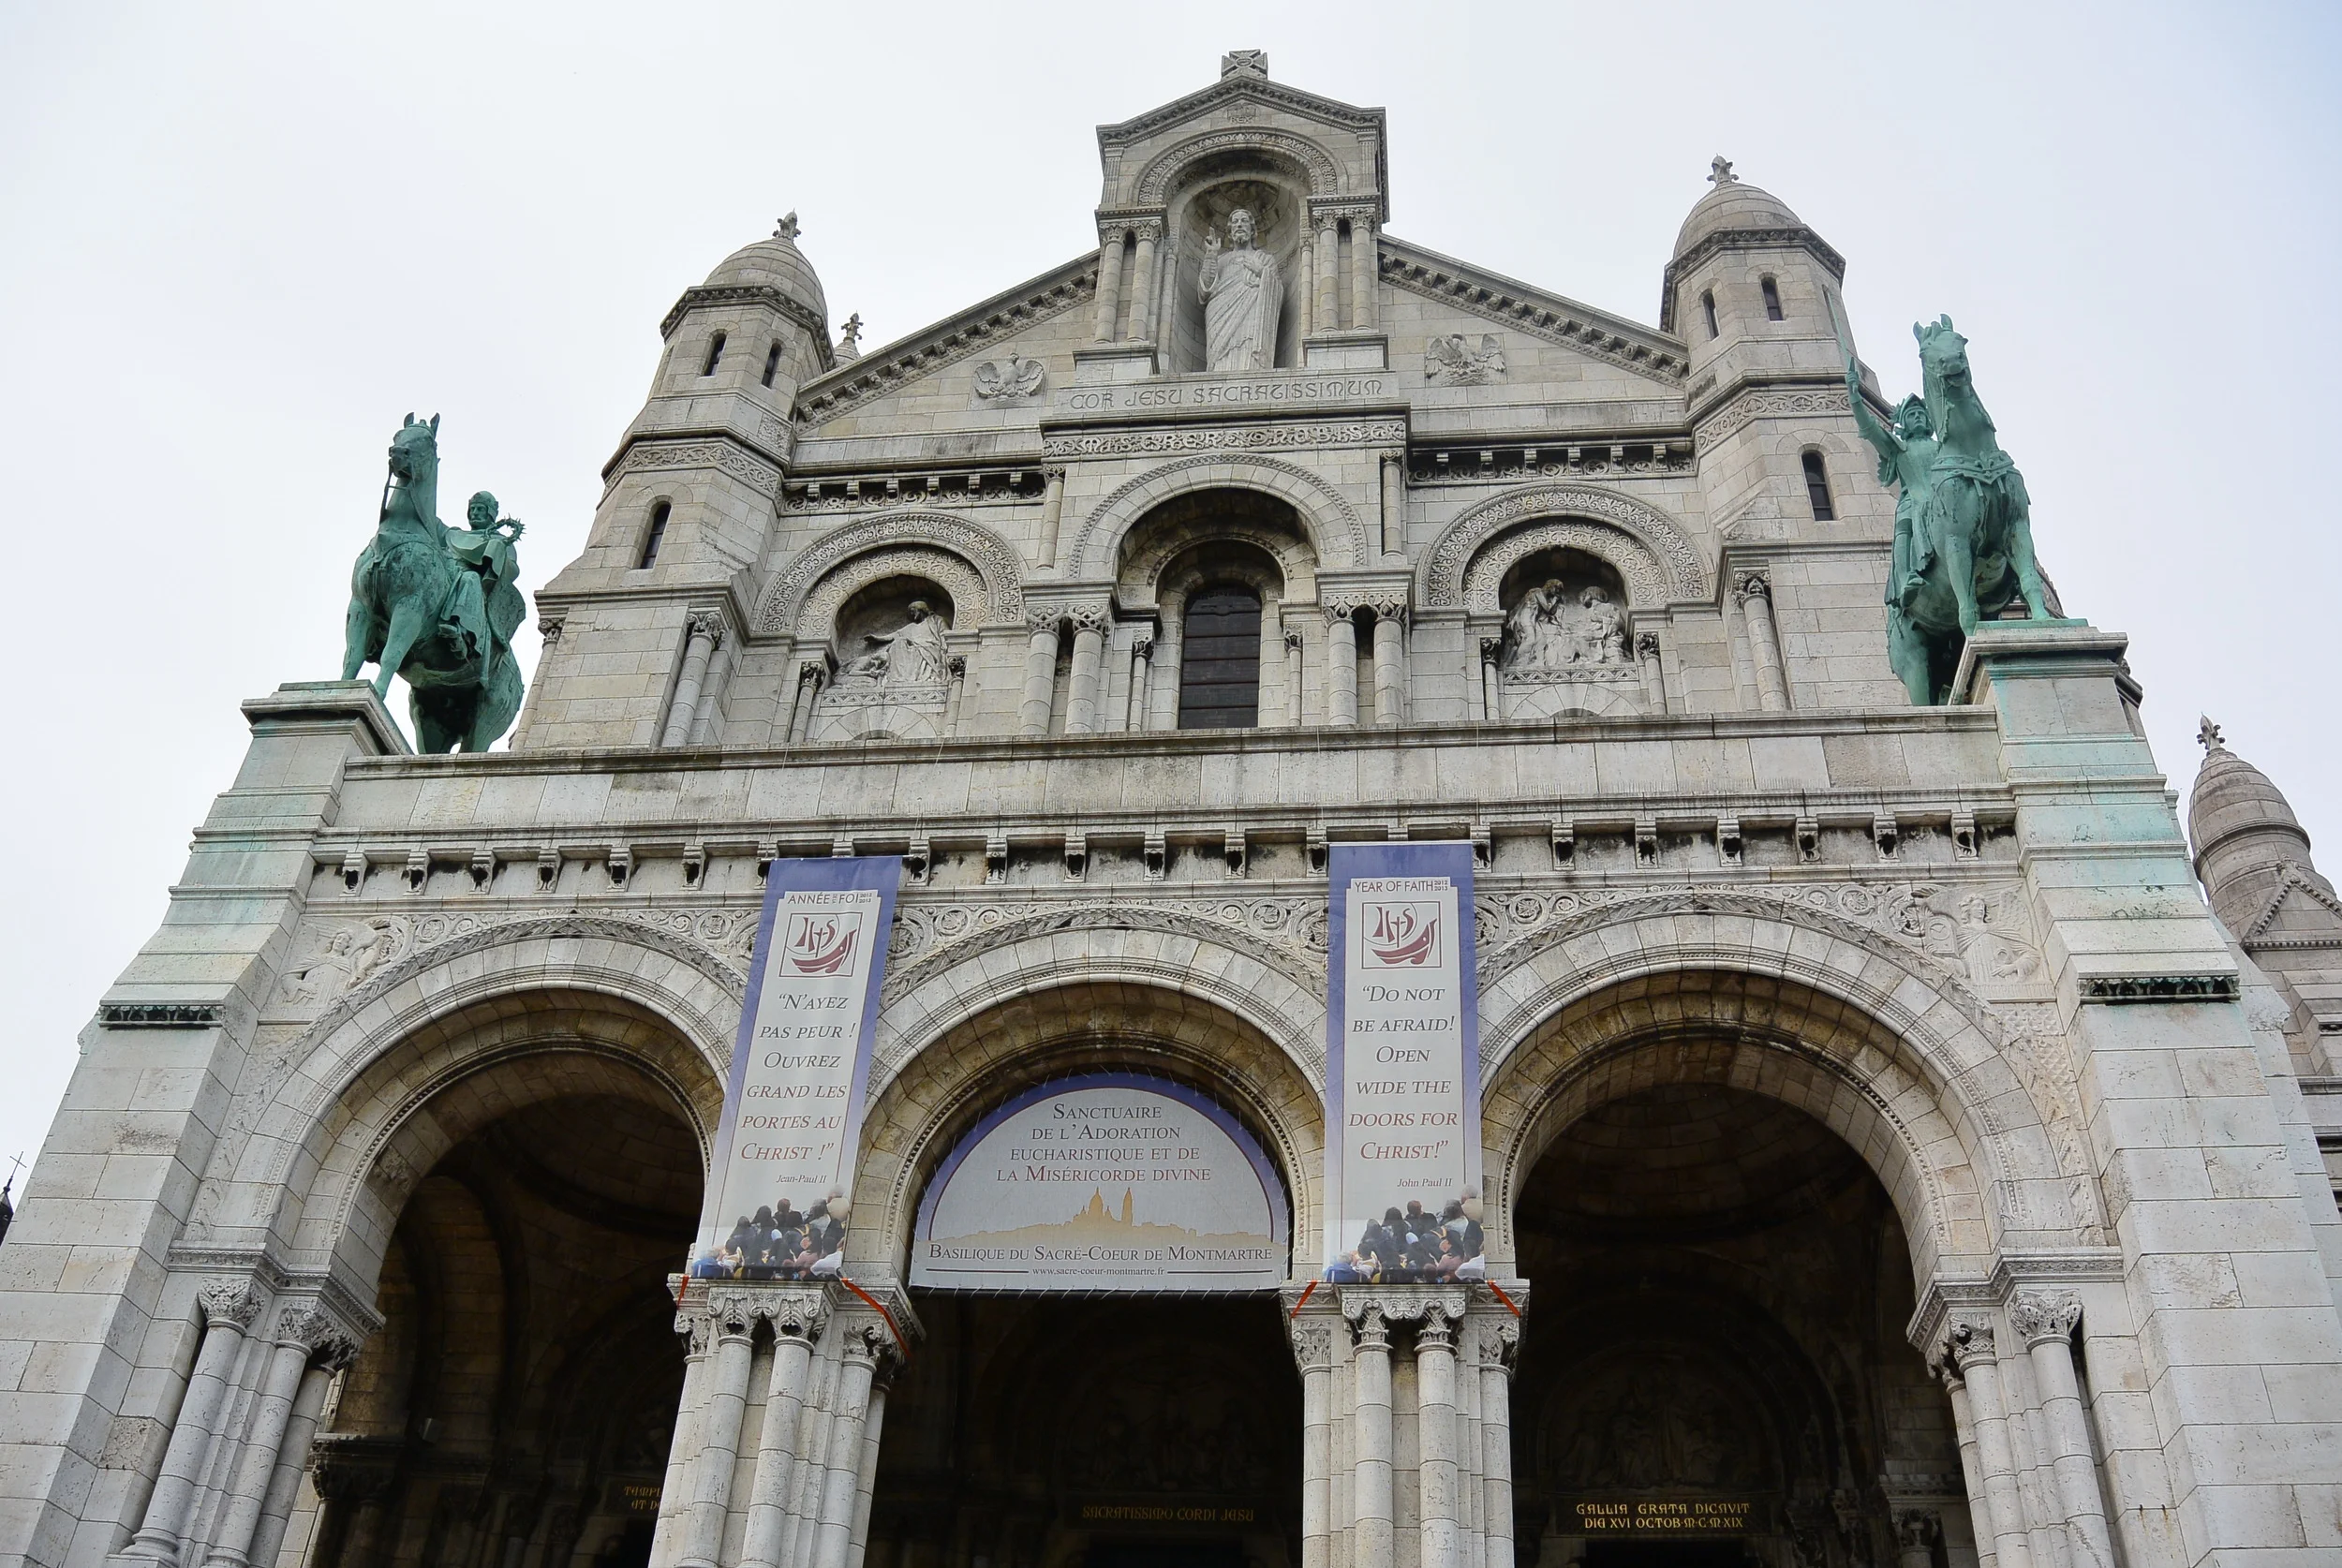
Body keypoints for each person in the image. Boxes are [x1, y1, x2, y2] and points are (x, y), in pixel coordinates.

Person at [1199, 207, 1282, 372]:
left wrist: (1261, 271)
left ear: (1252, 231)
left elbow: (1277, 292)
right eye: (1235, 222)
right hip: (1220, 316)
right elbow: (1205, 290)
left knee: (1247, 347)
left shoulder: (1265, 259)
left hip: (1252, 315)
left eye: (1244, 221)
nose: (1239, 225)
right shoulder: (1222, 259)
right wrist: (1210, 255)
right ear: (1229, 232)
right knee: (1220, 357)